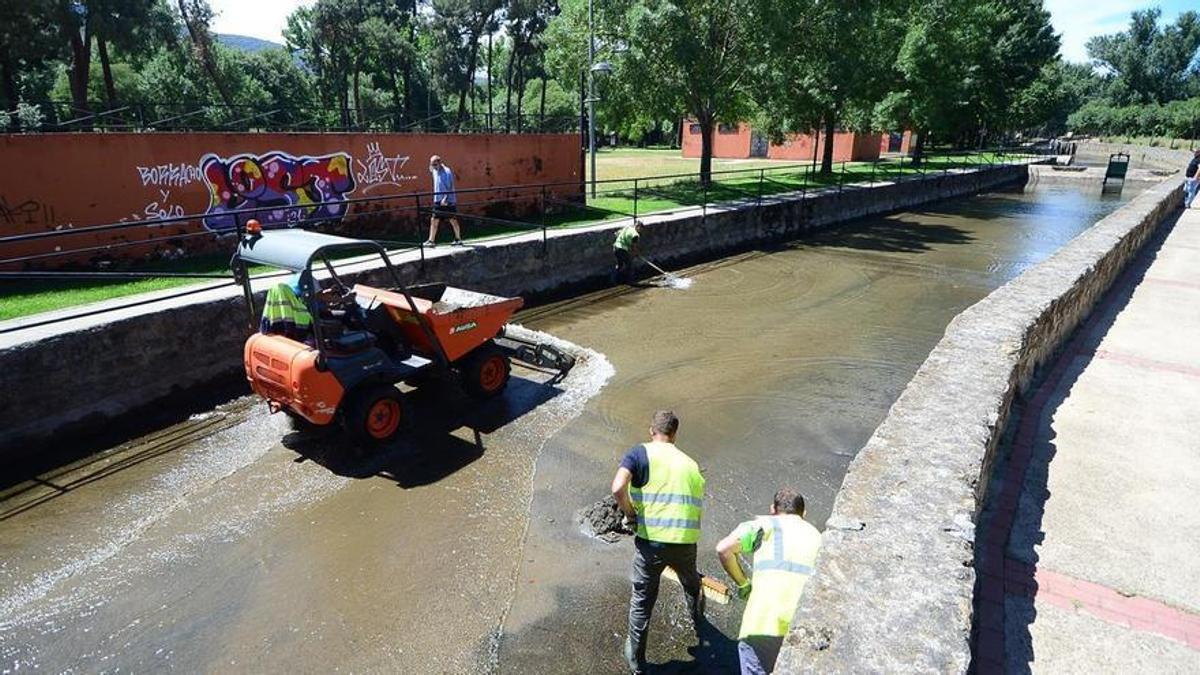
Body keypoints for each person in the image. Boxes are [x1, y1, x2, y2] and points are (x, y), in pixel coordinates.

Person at [611, 410, 706, 674]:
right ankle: (697, 619)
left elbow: (618, 487)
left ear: (651, 430)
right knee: (690, 581)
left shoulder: (640, 453)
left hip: (651, 542)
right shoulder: (691, 463)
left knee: (642, 600)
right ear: (675, 434)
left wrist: (630, 514)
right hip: (685, 542)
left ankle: (637, 659)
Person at [716, 488, 821, 675]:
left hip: (763, 622)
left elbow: (724, 549)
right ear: (803, 514)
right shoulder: (818, 537)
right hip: (803, 625)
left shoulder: (764, 524)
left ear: (772, 509)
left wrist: (744, 584)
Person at [424, 155, 463, 247]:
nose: (433, 166)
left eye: (435, 164)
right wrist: (431, 165)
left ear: (440, 163)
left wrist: (445, 198)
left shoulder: (447, 172)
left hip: (448, 200)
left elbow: (449, 186)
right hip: (437, 199)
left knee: (453, 219)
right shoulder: (434, 170)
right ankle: (431, 241)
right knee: (434, 220)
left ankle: (458, 239)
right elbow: (430, 169)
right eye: (432, 164)